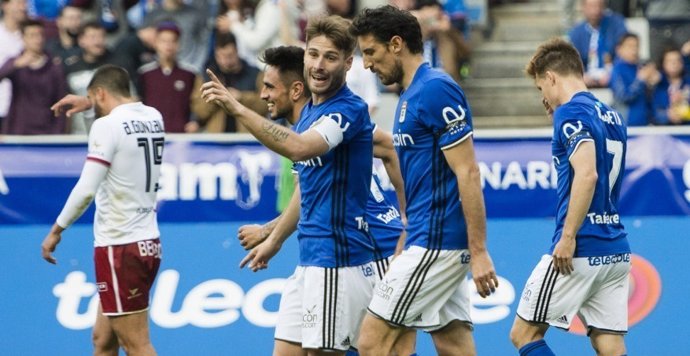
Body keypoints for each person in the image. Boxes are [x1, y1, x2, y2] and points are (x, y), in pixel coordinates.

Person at [202, 16, 376, 355]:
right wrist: (274, 238)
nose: (319, 65)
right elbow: (306, 191)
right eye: (313, 54)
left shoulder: (348, 110)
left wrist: (237, 108)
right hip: (310, 260)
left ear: (348, 63)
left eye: (330, 57)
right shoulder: (310, 111)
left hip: (337, 261)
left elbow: (300, 148)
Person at [234, 45, 415, 356]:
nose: (263, 95)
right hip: (324, 254)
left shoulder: (334, 122)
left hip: (374, 248)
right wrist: (271, 233)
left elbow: (389, 147)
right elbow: (312, 194)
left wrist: (406, 216)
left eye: (268, 87)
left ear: (295, 89)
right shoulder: (309, 123)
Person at [350, 6, 498, 356]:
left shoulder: (435, 89)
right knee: (454, 346)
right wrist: (408, 227)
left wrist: (479, 251)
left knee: (371, 343)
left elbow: (469, 171)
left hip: (437, 242)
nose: (367, 64)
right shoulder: (410, 95)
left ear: (396, 44)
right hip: (424, 234)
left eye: (371, 52)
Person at [509, 38, 631, 356]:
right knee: (609, 343)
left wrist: (568, 236)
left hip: (579, 248)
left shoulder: (570, 113)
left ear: (551, 77)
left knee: (524, 333)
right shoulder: (613, 117)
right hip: (615, 248)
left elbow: (587, 174)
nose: (543, 97)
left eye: (540, 89)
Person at [41, 64, 164, 356]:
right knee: (103, 340)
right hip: (147, 243)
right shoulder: (154, 116)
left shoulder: (106, 126)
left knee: (137, 345)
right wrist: (91, 102)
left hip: (118, 247)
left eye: (94, 99)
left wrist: (56, 231)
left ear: (100, 94)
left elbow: (86, 189)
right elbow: (125, 114)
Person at [0, 19, 67, 135]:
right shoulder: (15, 63)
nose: (38, 39)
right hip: (18, 130)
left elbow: (61, 102)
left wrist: (58, 132)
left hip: (47, 131)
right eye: (32, 35)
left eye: (40, 35)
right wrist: (15, 65)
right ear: (23, 38)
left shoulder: (54, 66)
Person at [138, 21, 204, 133]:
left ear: (179, 44)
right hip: (152, 136)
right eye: (163, 41)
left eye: (173, 41)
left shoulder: (190, 74)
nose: (168, 45)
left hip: (181, 138)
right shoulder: (145, 73)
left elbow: (201, 103)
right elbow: (138, 103)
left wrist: (197, 122)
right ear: (156, 43)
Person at [568, 0, 627, 88]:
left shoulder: (617, 24)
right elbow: (572, 60)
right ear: (583, 7)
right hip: (586, 81)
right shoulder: (576, 32)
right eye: (591, 6)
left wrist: (613, 73)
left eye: (599, 6)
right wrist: (581, 76)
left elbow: (625, 52)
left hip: (615, 79)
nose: (595, 11)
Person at [608, 33, 659, 126]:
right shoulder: (616, 70)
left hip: (645, 123)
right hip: (626, 125)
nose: (634, 50)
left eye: (637, 46)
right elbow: (623, 96)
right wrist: (640, 80)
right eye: (630, 46)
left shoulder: (640, 66)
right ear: (619, 49)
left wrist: (653, 83)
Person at [651, 47, 690, 125]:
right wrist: (667, 116)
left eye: (677, 60)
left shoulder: (688, 83)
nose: (674, 64)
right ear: (663, 64)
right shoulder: (657, 86)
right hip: (666, 133)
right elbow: (653, 113)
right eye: (669, 61)